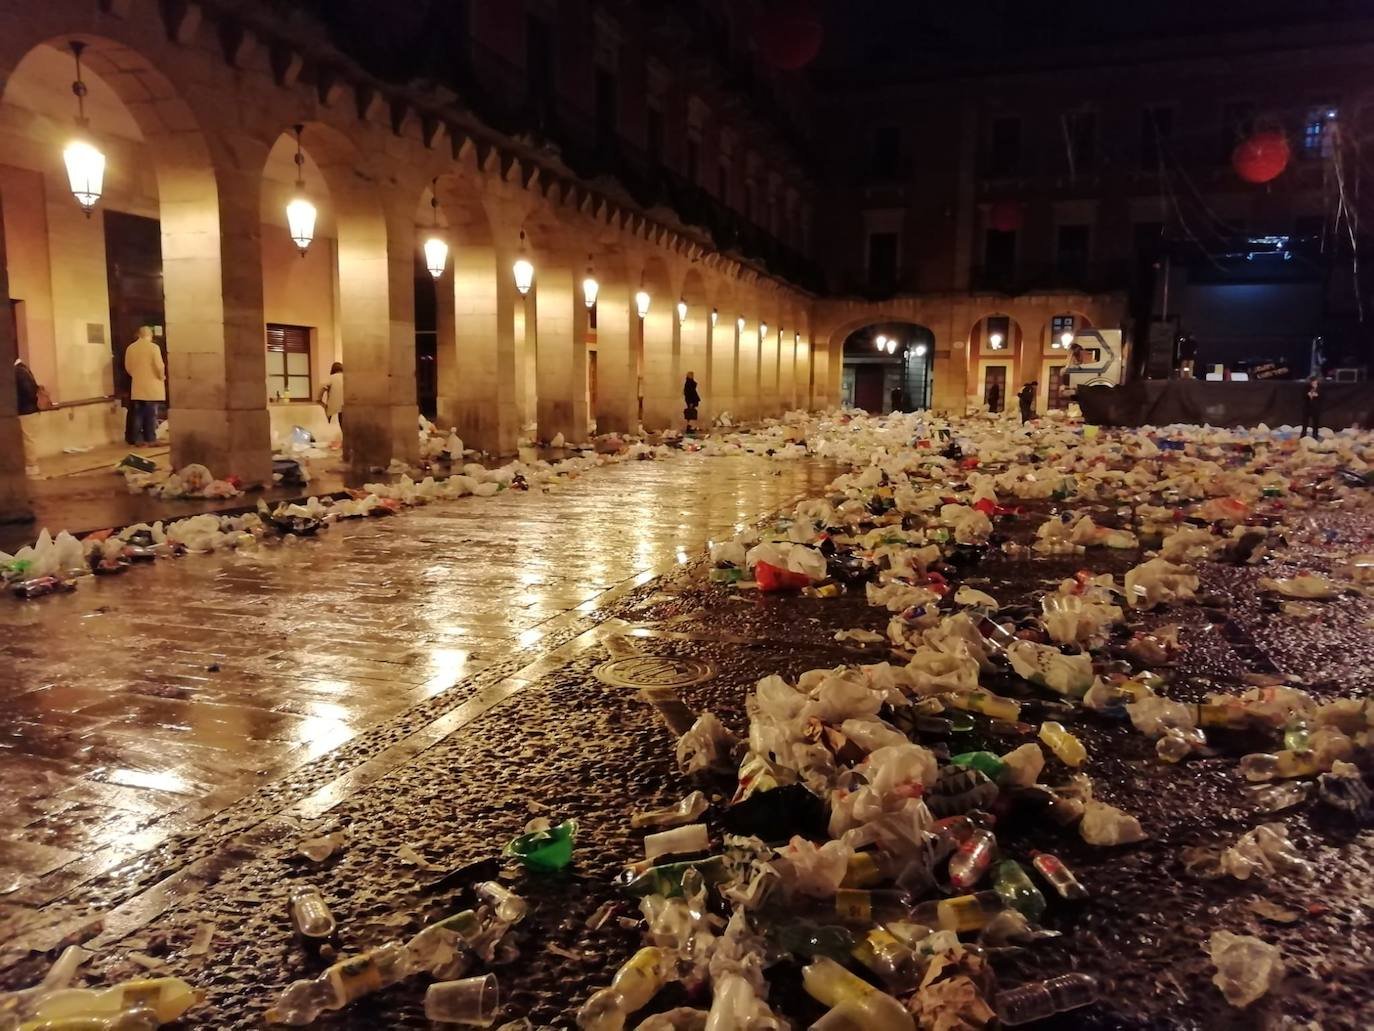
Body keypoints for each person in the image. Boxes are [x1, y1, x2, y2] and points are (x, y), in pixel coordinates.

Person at [124, 326, 165, 446]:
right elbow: (159, 366)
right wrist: (161, 377)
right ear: (150, 335)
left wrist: (136, 376)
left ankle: (136, 439)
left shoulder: (131, 348)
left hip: (137, 386)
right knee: (151, 414)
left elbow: (128, 367)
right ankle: (150, 438)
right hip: (152, 386)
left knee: (138, 414)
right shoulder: (153, 348)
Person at [14, 358, 40, 475]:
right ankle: (30, 465)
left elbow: (27, 391)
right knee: (27, 438)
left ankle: (32, 466)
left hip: (26, 411)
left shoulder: (18, 372)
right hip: (29, 410)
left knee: (28, 439)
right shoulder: (23, 369)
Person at [319, 361, 346, 455]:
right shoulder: (347, 377)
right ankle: (344, 445)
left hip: (334, 408)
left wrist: (320, 400)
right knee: (344, 427)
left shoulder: (331, 378)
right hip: (347, 407)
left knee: (334, 426)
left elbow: (322, 388)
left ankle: (336, 445)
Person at [1300, 374, 1322, 439]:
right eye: (1313, 382)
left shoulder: (1319, 388)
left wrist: (1316, 390)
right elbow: (1303, 396)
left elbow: (1322, 397)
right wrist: (1308, 394)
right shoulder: (1306, 387)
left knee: (1315, 423)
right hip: (1307, 407)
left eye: (1315, 381)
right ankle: (1303, 436)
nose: (1314, 383)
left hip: (1315, 408)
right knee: (1305, 423)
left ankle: (1315, 436)